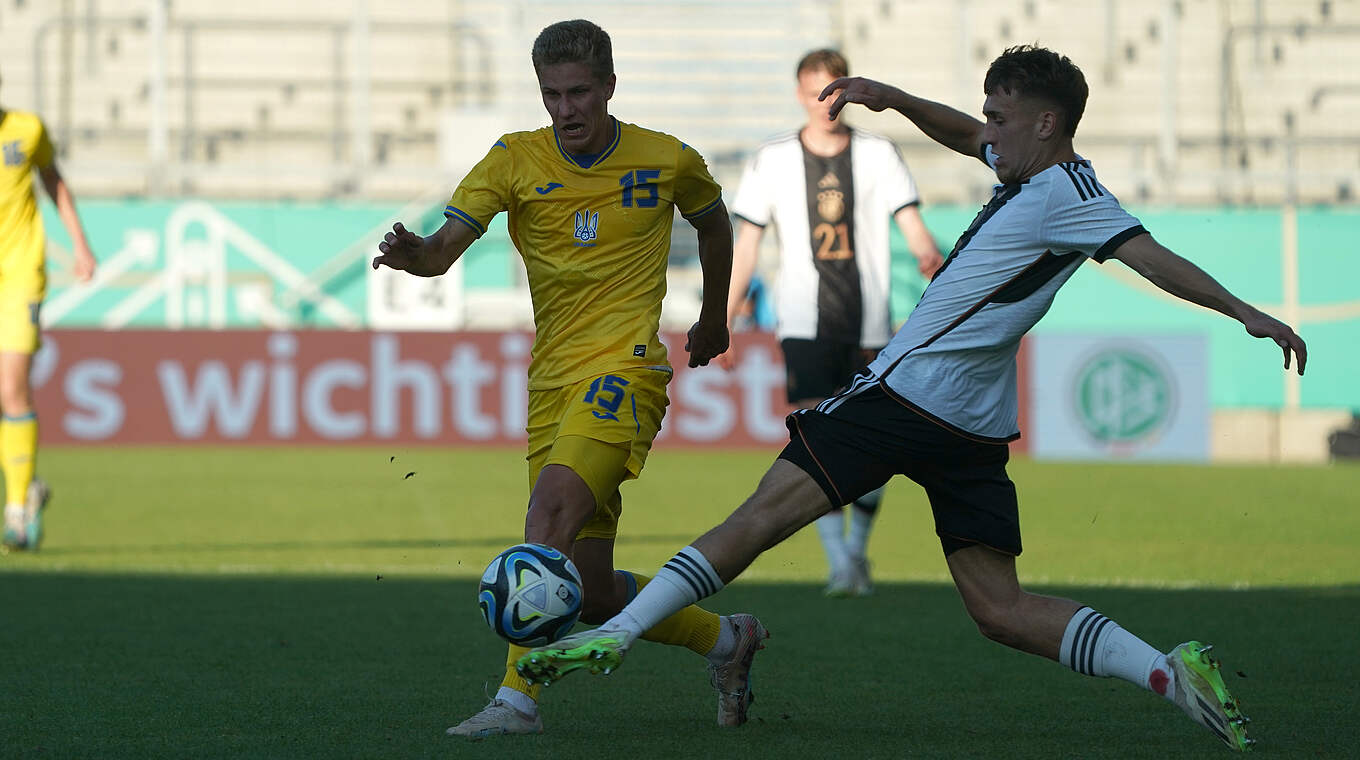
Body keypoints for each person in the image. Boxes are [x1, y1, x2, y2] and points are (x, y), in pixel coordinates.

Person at [517, 46, 1309, 753]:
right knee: (998, 610)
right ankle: (1169, 673)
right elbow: (964, 134)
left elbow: (1149, 256)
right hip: (972, 423)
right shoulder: (1037, 170)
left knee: (757, 517)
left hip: (904, 396)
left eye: (1000, 117)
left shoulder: (1067, 194)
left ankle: (616, 634)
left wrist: (1245, 311)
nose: (985, 131)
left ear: (1046, 121)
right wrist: (893, 98)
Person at [372, 19, 767, 739]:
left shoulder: (667, 159)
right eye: (551, 94)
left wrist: (715, 318)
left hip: (627, 370)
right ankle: (726, 640)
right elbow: (441, 254)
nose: (565, 109)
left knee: (546, 516)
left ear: (610, 87)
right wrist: (412, 254)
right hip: (552, 384)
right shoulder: (513, 160)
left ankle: (517, 702)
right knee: (587, 592)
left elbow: (715, 225)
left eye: (579, 92)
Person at [720, 49, 943, 597]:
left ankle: (856, 550)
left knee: (871, 436)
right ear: (799, 94)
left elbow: (912, 226)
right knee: (816, 433)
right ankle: (839, 560)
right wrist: (722, 319)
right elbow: (745, 245)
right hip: (801, 319)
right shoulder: (771, 159)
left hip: (868, 320)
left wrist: (930, 258)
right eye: (816, 91)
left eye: (835, 89)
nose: (826, 102)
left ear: (850, 91)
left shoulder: (879, 153)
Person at [0, 76, 97, 552]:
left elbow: (53, 180)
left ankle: (17, 509)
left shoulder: (26, 129)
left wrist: (79, 244)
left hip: (18, 275)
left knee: (10, 386)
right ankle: (29, 488)